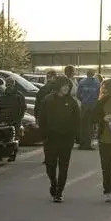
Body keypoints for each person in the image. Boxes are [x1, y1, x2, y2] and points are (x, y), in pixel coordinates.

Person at [38, 75, 81, 203]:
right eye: (64, 86)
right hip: (51, 138)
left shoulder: (72, 102)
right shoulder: (48, 100)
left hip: (66, 139)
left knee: (63, 166)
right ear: (58, 87)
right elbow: (42, 119)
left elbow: (77, 120)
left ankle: (59, 192)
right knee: (50, 165)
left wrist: (76, 136)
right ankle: (53, 182)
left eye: (68, 86)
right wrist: (43, 134)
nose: (66, 88)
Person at [0, 78, 26, 160]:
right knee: (4, 137)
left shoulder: (19, 95)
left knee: (14, 137)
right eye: (8, 84)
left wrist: (19, 119)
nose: (9, 85)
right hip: (5, 120)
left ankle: (13, 154)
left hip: (15, 120)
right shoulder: (3, 95)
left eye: (11, 84)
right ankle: (5, 154)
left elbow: (23, 108)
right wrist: (0, 118)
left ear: (13, 84)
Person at [76, 70, 100, 149]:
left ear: (87, 74)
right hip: (93, 105)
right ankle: (89, 144)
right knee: (91, 125)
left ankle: (82, 144)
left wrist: (83, 100)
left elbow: (78, 94)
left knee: (83, 125)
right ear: (93, 74)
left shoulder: (82, 82)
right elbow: (98, 94)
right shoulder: (97, 83)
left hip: (84, 105)